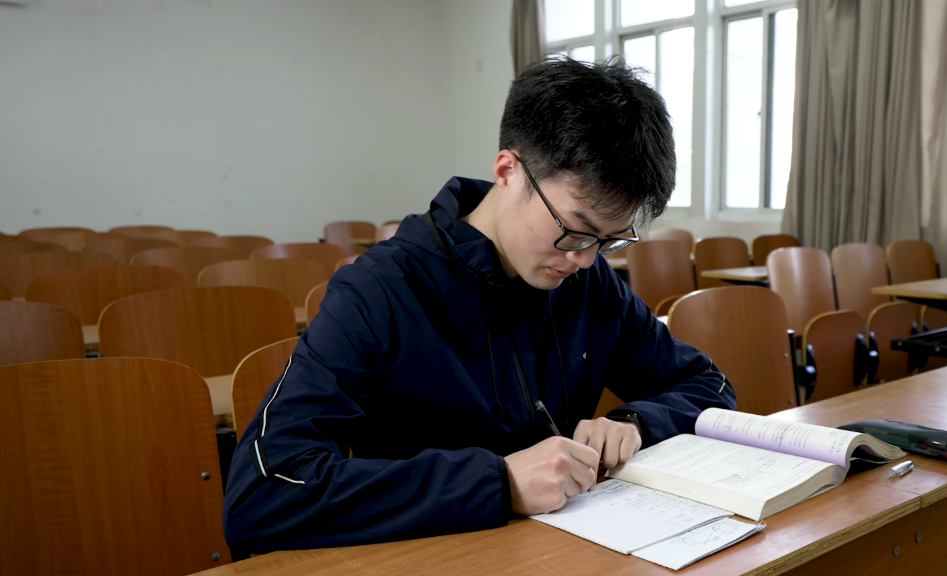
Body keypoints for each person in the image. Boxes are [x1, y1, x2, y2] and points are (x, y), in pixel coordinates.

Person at [222, 56, 736, 552]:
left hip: (567, 551)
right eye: (575, 229)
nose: (584, 259)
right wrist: (499, 482)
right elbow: (263, 491)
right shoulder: (379, 291)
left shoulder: (589, 281)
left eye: (609, 240)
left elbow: (707, 385)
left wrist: (636, 422)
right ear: (508, 170)